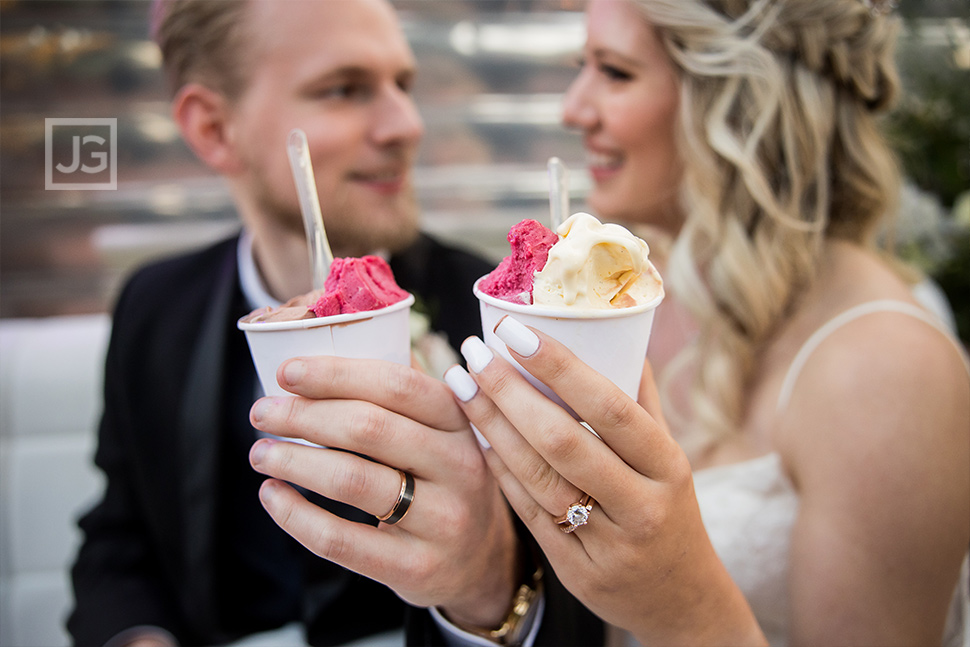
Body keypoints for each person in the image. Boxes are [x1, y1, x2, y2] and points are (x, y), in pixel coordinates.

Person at [245, 0, 970, 645]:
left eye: (615, 72)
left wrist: (682, 605)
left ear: (741, 101)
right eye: (578, 65)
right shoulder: (619, 307)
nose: (573, 107)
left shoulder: (889, 368)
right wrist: (488, 583)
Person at [66, 1, 493, 646]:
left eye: (402, 85)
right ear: (213, 128)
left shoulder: (489, 312)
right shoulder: (154, 309)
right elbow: (120, 542)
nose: (407, 124)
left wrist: (482, 584)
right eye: (344, 89)